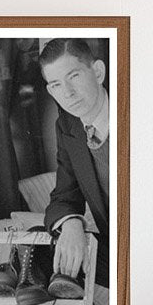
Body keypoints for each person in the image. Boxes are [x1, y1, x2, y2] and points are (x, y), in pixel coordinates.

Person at [39, 38, 111, 292]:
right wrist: (71, 222)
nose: (67, 93)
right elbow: (64, 194)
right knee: (37, 247)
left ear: (98, 72)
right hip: (118, 252)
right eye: (56, 85)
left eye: (74, 76)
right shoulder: (68, 126)